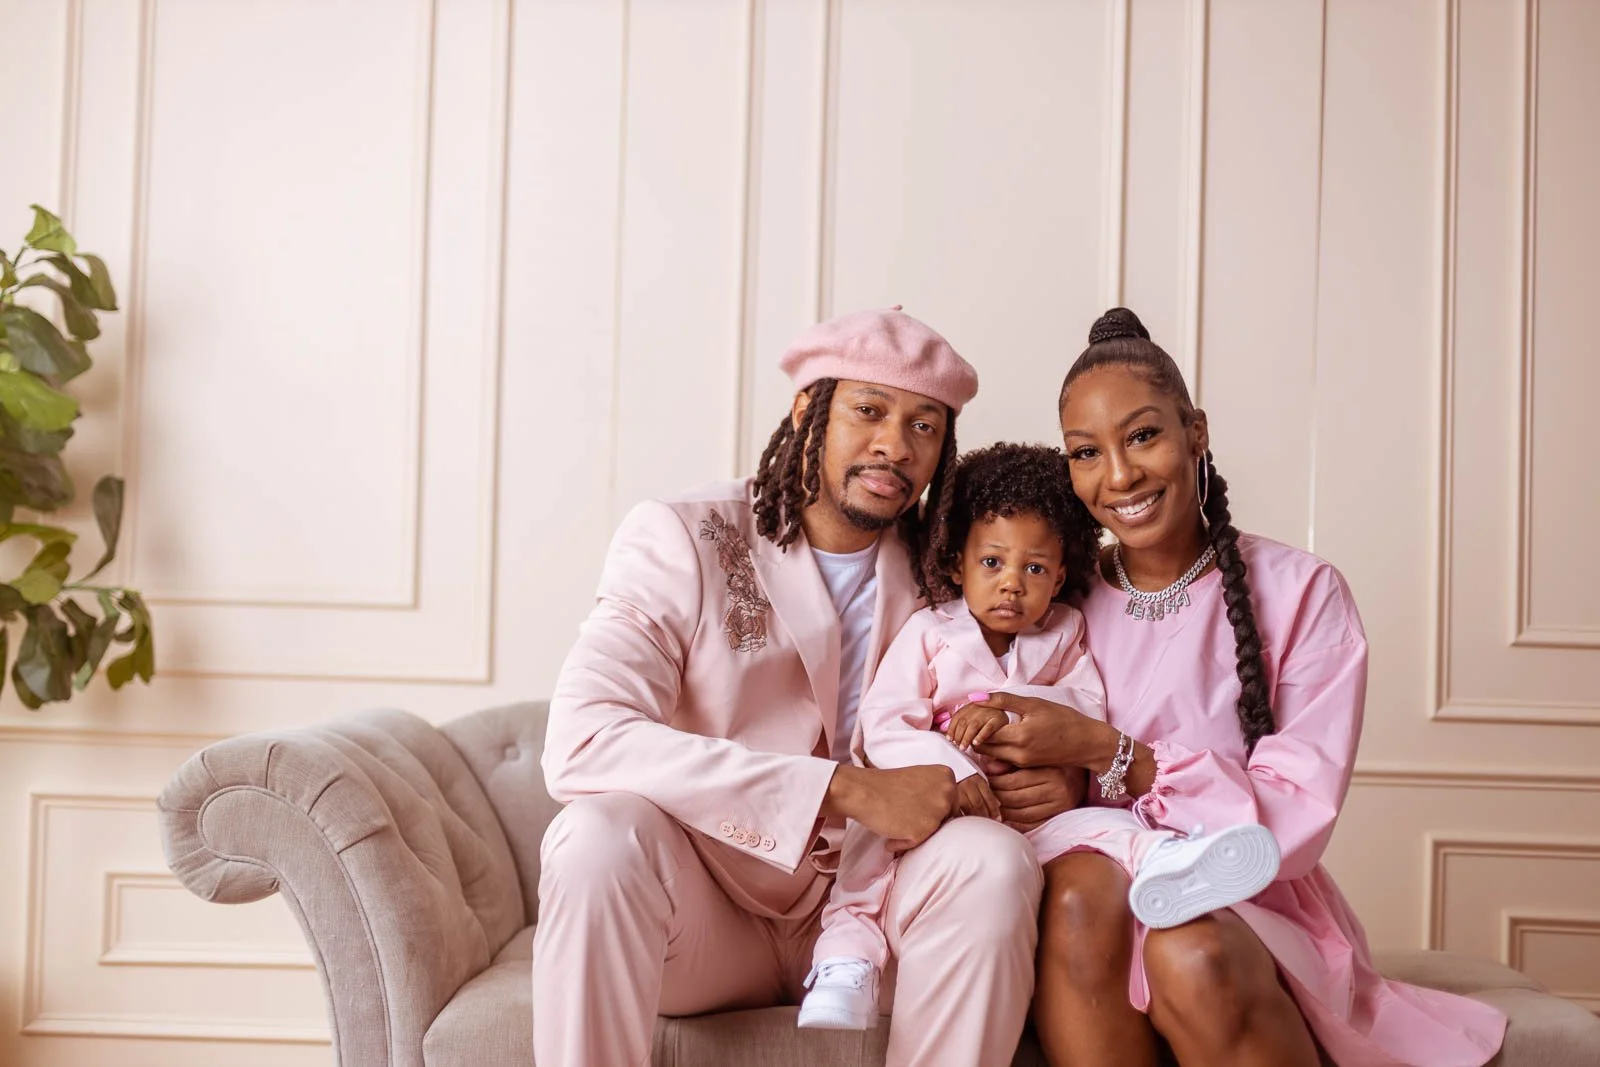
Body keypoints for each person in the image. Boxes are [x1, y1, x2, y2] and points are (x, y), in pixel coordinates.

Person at [966, 308, 1508, 1066]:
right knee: (1082, 894)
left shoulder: (1301, 591)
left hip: (1249, 886)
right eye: (1086, 452)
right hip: (1087, 879)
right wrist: (1046, 781)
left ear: (1197, 431)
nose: (1117, 475)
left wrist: (1113, 753)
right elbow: (972, 713)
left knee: (1188, 951)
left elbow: (1297, 811)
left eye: (1143, 435)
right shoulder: (1051, 594)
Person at [533, 307, 1045, 1067]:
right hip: (706, 917)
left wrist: (1052, 780)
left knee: (994, 862)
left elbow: (1045, 688)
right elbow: (580, 739)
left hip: (876, 916)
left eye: (925, 426)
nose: (894, 446)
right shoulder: (685, 537)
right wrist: (845, 788)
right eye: (869, 411)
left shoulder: (956, 569)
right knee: (594, 838)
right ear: (808, 409)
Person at [798, 442, 1282, 1031]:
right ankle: (844, 967)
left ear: (1058, 577)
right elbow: (887, 722)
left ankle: (1172, 865)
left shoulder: (1065, 633)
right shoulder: (930, 632)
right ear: (957, 565)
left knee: (1113, 827)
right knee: (870, 861)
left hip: (1034, 822)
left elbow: (1084, 707)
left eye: (1034, 569)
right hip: (935, 811)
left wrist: (1015, 717)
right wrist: (956, 771)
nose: (1012, 585)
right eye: (993, 563)